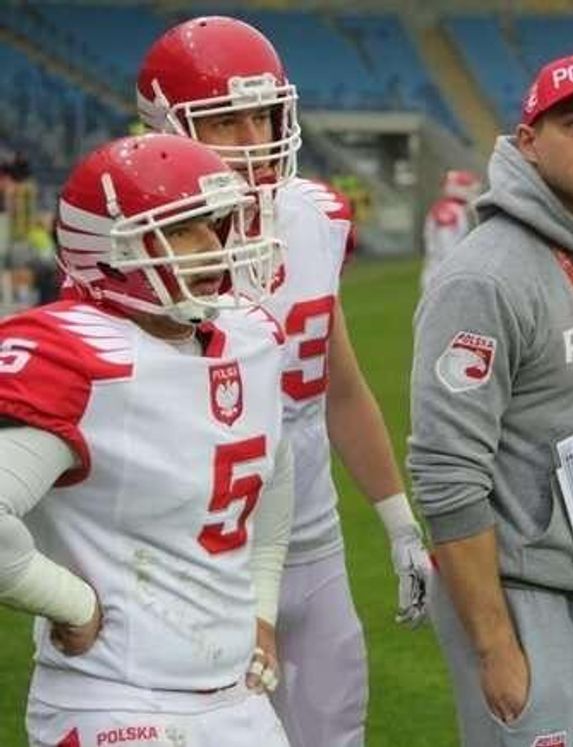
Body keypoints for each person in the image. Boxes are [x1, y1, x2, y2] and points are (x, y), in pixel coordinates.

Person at [136, 17, 431, 746]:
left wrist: (398, 524)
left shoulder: (315, 217)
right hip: (204, 551)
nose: (251, 139)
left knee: (337, 726)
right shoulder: (139, 245)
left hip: (315, 535)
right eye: (224, 121)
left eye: (260, 115)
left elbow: (340, 386)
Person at [0, 134, 292, 746]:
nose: (213, 247)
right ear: (113, 250)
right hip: (117, 700)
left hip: (240, 697)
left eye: (213, 225)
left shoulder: (251, 336)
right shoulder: (76, 355)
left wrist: (261, 607)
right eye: (184, 230)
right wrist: (68, 601)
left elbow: (274, 470)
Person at [407, 52, 573, 746]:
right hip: (521, 594)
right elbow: (445, 470)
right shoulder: (483, 277)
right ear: (527, 142)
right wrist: (494, 642)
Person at [422, 169, 482, 290]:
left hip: (445, 271)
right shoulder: (448, 211)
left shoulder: (454, 209)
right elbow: (447, 246)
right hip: (443, 273)